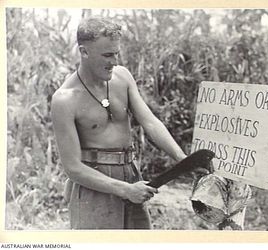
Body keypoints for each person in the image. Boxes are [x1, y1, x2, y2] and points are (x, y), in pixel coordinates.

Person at [51, 16, 187, 229]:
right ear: (84, 52)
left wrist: (183, 160)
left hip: (131, 176)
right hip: (94, 188)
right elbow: (73, 168)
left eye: (116, 53)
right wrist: (125, 190)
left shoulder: (122, 77)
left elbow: (150, 123)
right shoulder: (65, 99)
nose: (114, 61)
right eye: (107, 55)